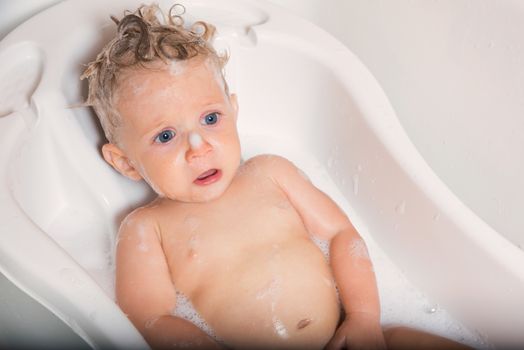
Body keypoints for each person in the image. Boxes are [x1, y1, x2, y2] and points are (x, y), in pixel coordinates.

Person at [81, 4, 471, 350]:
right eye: (166, 136)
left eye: (211, 119)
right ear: (126, 162)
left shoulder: (271, 172)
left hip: (348, 334)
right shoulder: (147, 228)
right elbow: (150, 318)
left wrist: (364, 318)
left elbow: (341, 235)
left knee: (404, 338)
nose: (198, 147)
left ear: (233, 112)